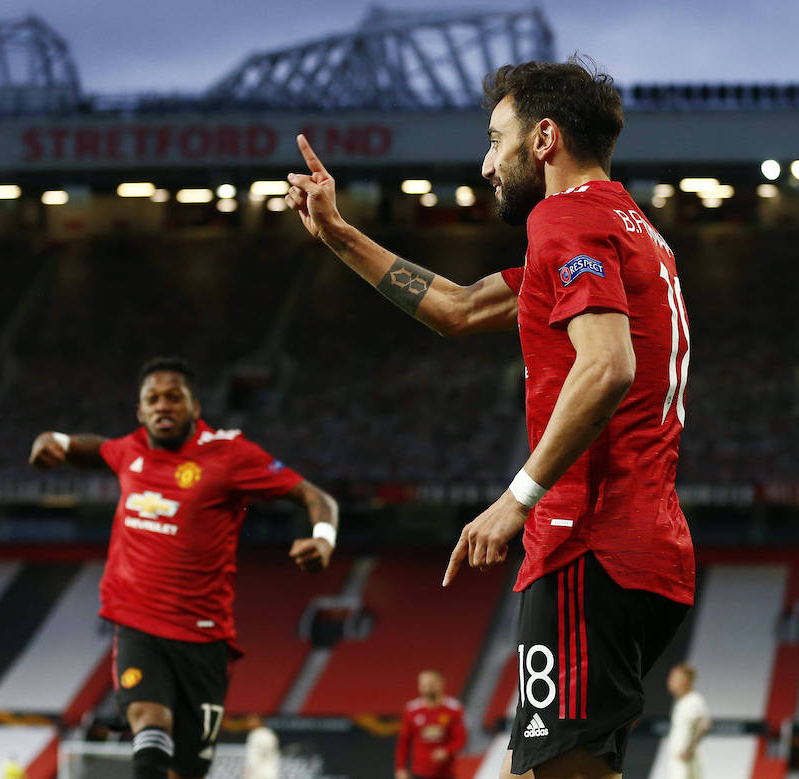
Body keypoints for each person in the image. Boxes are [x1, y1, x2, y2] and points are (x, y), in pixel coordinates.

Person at [286, 57, 694, 779]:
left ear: (543, 139)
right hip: (645, 548)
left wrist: (517, 500)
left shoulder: (564, 217)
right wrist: (338, 234)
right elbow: (461, 306)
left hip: (585, 541)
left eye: (494, 139)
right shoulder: (630, 229)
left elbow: (608, 365)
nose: (485, 164)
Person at [28, 356, 339, 779]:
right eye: (152, 399)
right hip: (137, 623)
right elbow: (93, 449)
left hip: (203, 635)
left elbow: (316, 497)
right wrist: (55, 440)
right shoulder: (131, 449)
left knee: (188, 769)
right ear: (140, 411)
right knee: (148, 727)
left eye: (174, 397)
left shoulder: (229, 454)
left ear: (195, 407)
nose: (162, 406)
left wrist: (322, 538)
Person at [395, 670, 467, 779]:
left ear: (441, 683)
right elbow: (404, 742)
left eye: (431, 683)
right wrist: (400, 768)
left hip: (446, 772)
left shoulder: (454, 709)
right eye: (424, 684)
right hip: (420, 772)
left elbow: (460, 739)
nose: (427, 687)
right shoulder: (411, 710)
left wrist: (447, 751)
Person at [667, 664, 710, 779]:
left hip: (686, 761)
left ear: (686, 680)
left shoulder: (693, 700)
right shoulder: (683, 702)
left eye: (675, 678)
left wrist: (688, 750)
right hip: (680, 760)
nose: (670, 681)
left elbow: (704, 725)